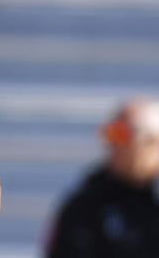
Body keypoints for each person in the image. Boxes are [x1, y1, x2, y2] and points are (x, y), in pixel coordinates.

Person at [45, 97, 159, 258]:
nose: (112, 144)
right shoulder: (89, 204)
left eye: (121, 134)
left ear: (152, 143)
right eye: (111, 134)